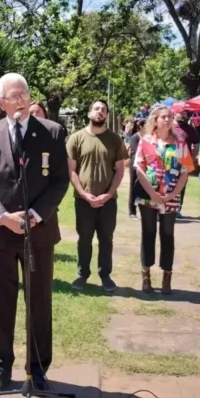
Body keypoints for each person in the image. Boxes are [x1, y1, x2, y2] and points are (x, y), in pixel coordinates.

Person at [0, 72, 69, 393]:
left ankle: (37, 370)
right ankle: (1, 369)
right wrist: (3, 217)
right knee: (0, 304)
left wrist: (36, 214)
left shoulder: (52, 132)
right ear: (1, 103)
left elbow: (60, 180)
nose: (21, 101)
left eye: (24, 94)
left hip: (38, 233)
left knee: (39, 302)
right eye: (13, 97)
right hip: (1, 235)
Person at [67, 100, 127, 292]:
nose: (100, 112)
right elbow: (71, 170)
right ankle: (82, 275)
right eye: (96, 108)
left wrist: (108, 195)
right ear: (89, 113)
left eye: (103, 110)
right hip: (83, 200)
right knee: (84, 238)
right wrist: (83, 194)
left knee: (106, 239)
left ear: (107, 116)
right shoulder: (76, 138)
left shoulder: (115, 140)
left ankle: (105, 275)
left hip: (108, 201)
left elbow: (120, 170)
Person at [133, 106, 194, 294]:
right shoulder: (145, 142)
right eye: (163, 117)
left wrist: (172, 194)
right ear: (155, 120)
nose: (167, 120)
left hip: (171, 197)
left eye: (170, 117)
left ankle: (167, 276)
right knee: (148, 232)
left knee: (167, 234)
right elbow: (139, 169)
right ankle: (146, 275)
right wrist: (152, 193)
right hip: (148, 196)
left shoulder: (180, 144)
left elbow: (185, 172)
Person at [127, 118, 145, 219]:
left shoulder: (148, 137)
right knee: (133, 187)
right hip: (135, 165)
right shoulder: (135, 137)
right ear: (141, 126)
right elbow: (136, 150)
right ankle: (132, 211)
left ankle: (143, 210)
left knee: (143, 188)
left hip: (145, 166)